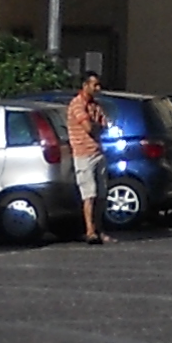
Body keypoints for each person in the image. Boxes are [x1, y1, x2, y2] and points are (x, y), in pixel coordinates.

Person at [65, 72, 111, 244]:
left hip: (98, 152)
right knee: (89, 195)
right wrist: (95, 125)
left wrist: (97, 125)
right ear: (85, 85)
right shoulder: (77, 105)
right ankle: (90, 231)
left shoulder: (94, 105)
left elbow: (105, 124)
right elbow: (88, 127)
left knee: (101, 195)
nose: (97, 88)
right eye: (94, 85)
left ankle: (100, 230)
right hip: (83, 155)